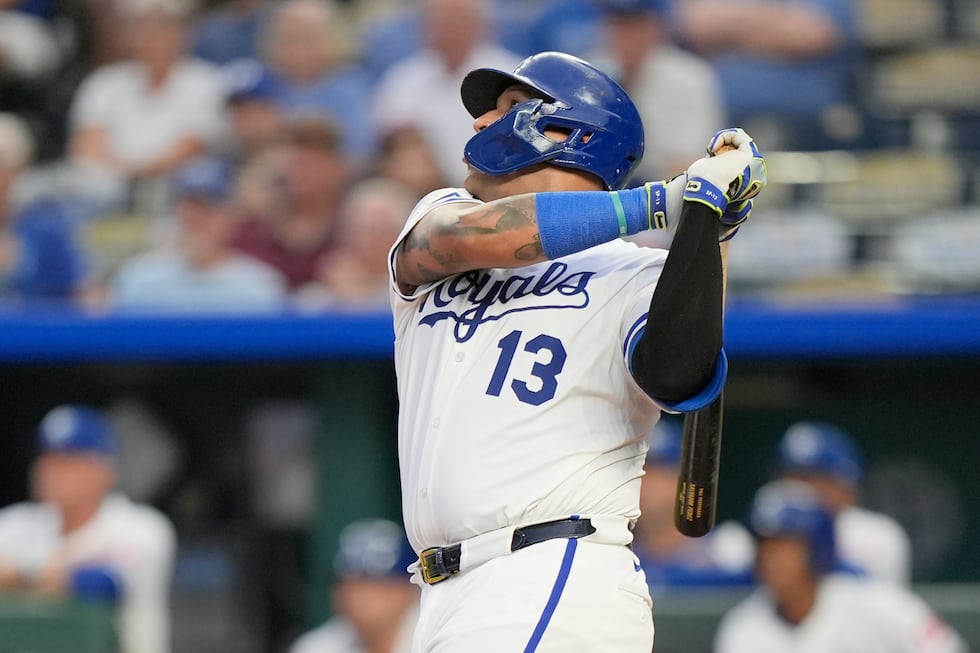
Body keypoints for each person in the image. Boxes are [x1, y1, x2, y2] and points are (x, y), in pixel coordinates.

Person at [387, 50, 766, 651]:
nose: (482, 123)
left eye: (510, 108)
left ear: (568, 133)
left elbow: (677, 372)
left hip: (549, 571)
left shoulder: (639, 274)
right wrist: (665, 201)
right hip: (442, 592)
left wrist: (708, 226)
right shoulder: (442, 215)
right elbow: (474, 238)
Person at [0, 404, 177, 653]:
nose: (48, 470)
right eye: (45, 457)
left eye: (66, 460)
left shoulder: (143, 527)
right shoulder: (14, 524)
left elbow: (100, 587)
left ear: (103, 470)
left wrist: (20, 575)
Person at [713, 479, 967, 653]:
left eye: (785, 546)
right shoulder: (743, 627)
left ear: (817, 548)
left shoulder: (878, 603)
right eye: (765, 546)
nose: (771, 559)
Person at [67, 0, 227, 215]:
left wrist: (134, 174)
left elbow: (191, 148)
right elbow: (87, 146)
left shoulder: (207, 83)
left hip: (173, 190)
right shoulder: (104, 83)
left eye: (161, 26)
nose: (149, 36)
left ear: (182, 32)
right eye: (140, 26)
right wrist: (124, 176)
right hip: (105, 190)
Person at [370, 0, 522, 186]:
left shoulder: (512, 76)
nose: (447, 30)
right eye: (437, 22)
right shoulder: (402, 82)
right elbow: (386, 151)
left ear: (480, 25)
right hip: (425, 195)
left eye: (456, 21)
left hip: (497, 186)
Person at [673, 0, 859, 150]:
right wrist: (773, 21)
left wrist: (725, 31)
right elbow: (690, 24)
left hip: (813, 131)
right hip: (705, 126)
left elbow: (812, 34)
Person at [111, 156, 288, 312]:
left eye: (206, 209)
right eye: (188, 208)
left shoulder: (260, 287)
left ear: (231, 216)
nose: (194, 218)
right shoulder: (138, 280)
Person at [591, 0, 727, 182]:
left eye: (638, 25)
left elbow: (693, 163)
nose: (629, 36)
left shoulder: (691, 77)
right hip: (601, 187)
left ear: (658, 28)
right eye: (620, 25)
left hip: (665, 193)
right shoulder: (588, 74)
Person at [775, 420, 913, 584]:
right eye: (792, 476)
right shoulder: (756, 535)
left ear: (844, 484)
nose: (798, 489)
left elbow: (888, 605)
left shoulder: (878, 536)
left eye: (813, 479)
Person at [232, 115, 351, 291]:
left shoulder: (354, 230)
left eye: (313, 165)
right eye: (296, 164)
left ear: (337, 169)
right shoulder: (253, 228)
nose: (302, 174)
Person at [635, 419, 754, 595]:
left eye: (657, 473)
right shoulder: (613, 555)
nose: (644, 483)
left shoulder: (725, 553)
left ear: (685, 477)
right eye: (637, 470)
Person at [260, 0, 374, 165]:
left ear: (332, 40)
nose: (298, 50)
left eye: (308, 39)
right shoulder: (264, 85)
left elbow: (361, 147)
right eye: (290, 39)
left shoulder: (350, 87)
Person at [0, 112, 91, 305]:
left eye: (2, 163)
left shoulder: (47, 230)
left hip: (34, 332)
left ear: (18, 168)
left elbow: (79, 297)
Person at [289, 518, 419, 653]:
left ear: (406, 589)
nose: (355, 598)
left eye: (370, 585)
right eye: (348, 585)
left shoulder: (434, 637)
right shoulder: (316, 647)